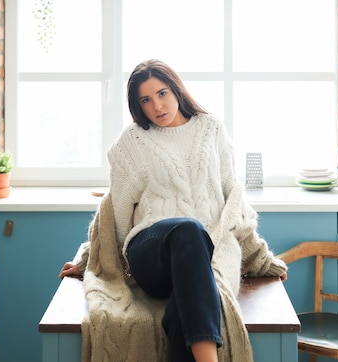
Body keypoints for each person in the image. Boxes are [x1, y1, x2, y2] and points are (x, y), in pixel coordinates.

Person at [60, 59, 287, 362]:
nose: (157, 106)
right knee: (188, 229)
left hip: (210, 251)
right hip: (151, 252)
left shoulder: (211, 130)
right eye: (146, 100)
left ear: (176, 89)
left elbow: (234, 196)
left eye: (162, 93)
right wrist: (88, 257)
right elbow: (115, 210)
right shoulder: (133, 142)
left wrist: (257, 256)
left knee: (187, 297)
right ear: (138, 106)